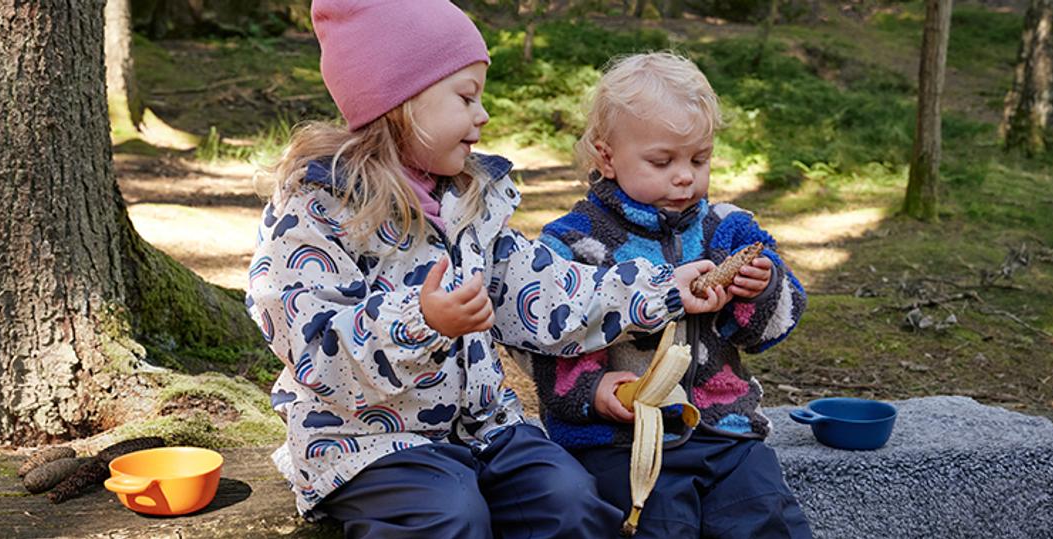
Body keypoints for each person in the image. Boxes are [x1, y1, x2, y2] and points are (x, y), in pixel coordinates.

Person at [246, 4, 725, 537]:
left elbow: (544, 291)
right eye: (466, 97)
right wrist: (421, 321)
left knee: (567, 499)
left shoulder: (469, 203)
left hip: (483, 427)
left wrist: (660, 291)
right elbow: (313, 347)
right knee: (449, 514)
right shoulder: (318, 213)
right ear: (399, 102)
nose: (483, 115)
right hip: (365, 440)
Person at [528, 51, 813, 538]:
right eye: (662, 161)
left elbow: (773, 324)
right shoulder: (573, 242)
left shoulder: (728, 229)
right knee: (659, 524)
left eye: (699, 159)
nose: (685, 175)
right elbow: (548, 334)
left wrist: (762, 289)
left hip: (725, 429)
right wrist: (592, 393)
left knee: (765, 514)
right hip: (624, 439)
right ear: (606, 156)